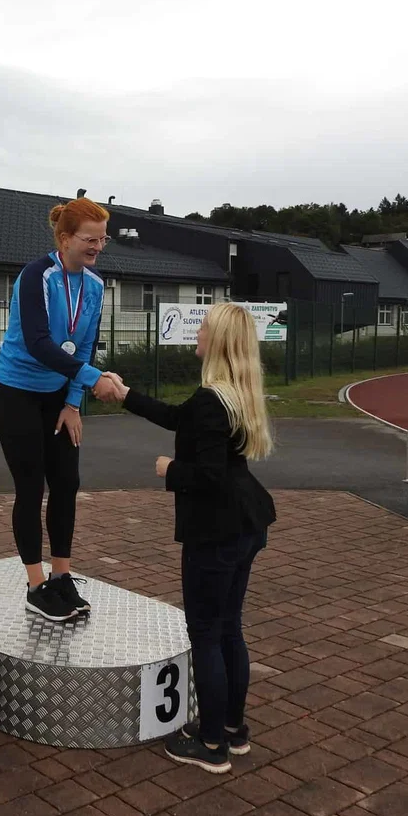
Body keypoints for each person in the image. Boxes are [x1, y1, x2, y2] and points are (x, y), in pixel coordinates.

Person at [109, 302, 276, 773]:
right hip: (247, 524)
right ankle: (232, 730)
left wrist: (170, 469)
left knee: (205, 633)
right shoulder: (234, 394)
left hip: (218, 530)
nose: (196, 333)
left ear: (218, 341)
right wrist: (126, 396)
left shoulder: (212, 400)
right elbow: (178, 417)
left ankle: (209, 745)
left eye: (202, 327)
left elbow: (207, 475)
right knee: (229, 628)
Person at [0, 196, 121, 623]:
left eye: (103, 240)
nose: (97, 247)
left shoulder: (96, 286)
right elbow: (40, 343)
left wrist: (72, 403)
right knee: (31, 487)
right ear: (65, 239)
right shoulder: (37, 276)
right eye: (90, 239)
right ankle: (35, 585)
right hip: (17, 392)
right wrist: (93, 379)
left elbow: (84, 345)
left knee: (66, 481)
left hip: (57, 396)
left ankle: (61, 575)